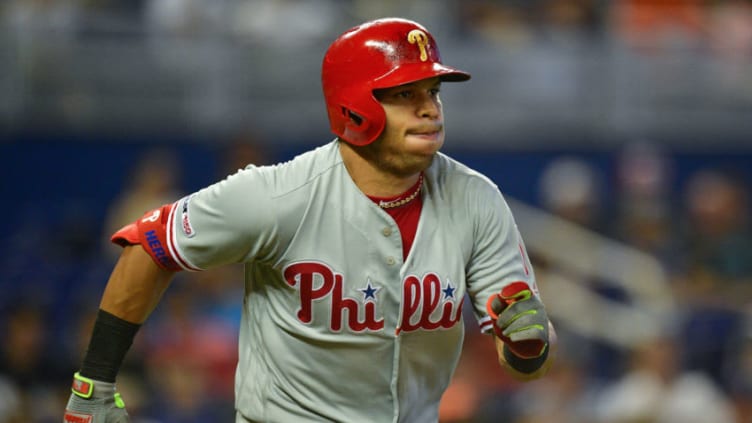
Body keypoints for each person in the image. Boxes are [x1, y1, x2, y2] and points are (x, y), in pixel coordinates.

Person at [63, 17, 555, 423]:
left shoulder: (476, 199)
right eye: (407, 94)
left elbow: (523, 363)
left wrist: (529, 345)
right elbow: (151, 243)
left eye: (433, 91)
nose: (430, 109)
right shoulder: (278, 195)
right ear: (355, 106)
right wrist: (95, 381)